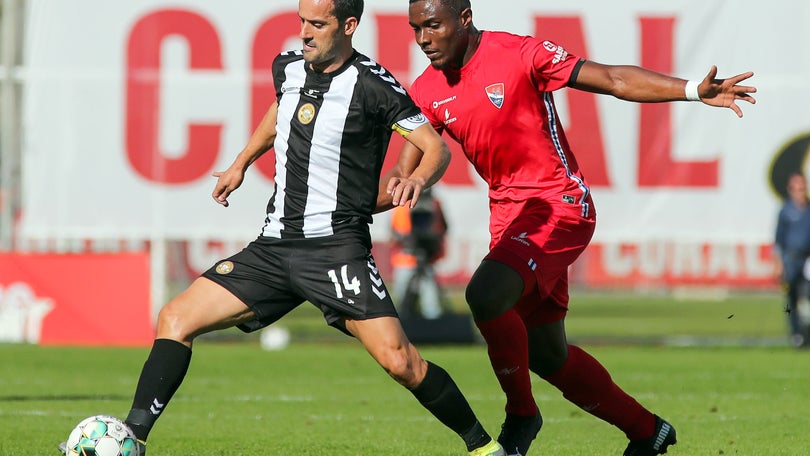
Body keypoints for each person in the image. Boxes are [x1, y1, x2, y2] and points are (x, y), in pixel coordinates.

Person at [59, 1, 507, 455]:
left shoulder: (373, 85)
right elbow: (280, 109)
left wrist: (414, 178)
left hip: (336, 250)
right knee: (175, 318)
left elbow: (435, 149)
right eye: (301, 22)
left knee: (401, 362)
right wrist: (240, 162)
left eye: (317, 24)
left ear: (349, 26)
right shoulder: (288, 67)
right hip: (274, 247)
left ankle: (484, 447)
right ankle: (132, 440)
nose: (305, 33)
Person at [403, 1, 757, 455]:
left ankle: (521, 417)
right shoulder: (428, 88)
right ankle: (649, 432)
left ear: (464, 18)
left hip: (559, 206)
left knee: (485, 294)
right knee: (549, 356)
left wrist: (691, 90)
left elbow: (613, 79)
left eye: (432, 25)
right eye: (415, 28)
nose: (423, 38)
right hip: (509, 221)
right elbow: (415, 155)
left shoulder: (519, 53)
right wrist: (387, 185)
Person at [390, 187, 449, 319]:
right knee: (402, 295)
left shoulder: (435, 204)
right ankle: (406, 320)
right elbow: (393, 232)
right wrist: (408, 239)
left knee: (430, 297)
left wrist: (432, 241)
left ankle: (432, 322)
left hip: (426, 257)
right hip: (406, 257)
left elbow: (444, 228)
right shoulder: (402, 205)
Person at [774, 172, 810, 348]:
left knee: (808, 296)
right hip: (791, 259)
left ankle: (806, 332)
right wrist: (779, 264)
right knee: (791, 298)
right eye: (796, 188)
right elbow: (779, 240)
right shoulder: (785, 211)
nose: (800, 191)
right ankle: (796, 333)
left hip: (808, 259)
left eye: (802, 188)